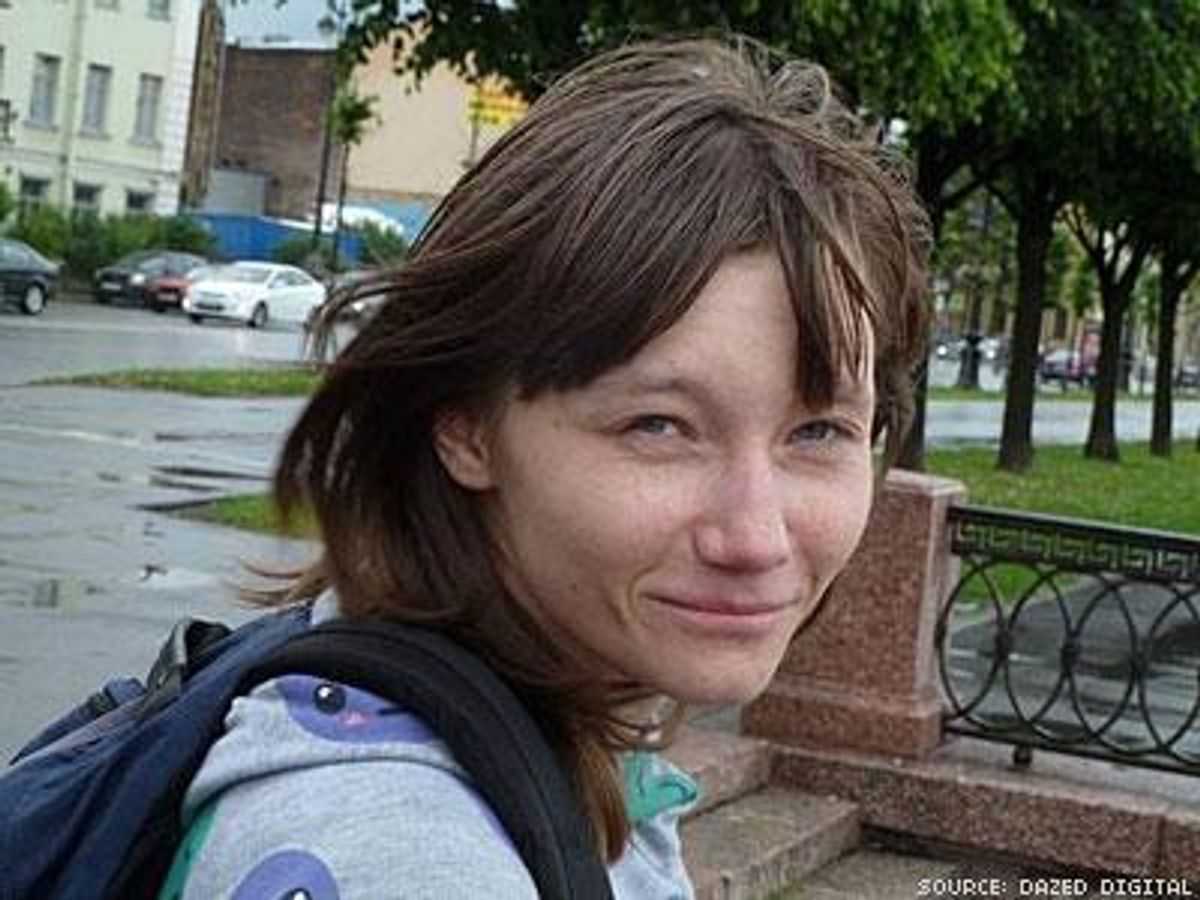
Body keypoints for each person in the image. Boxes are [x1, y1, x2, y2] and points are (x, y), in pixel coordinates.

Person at [161, 36, 928, 899]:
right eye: (659, 426)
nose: (755, 538)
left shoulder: (542, 733)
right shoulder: (409, 864)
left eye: (819, 432)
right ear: (466, 425)